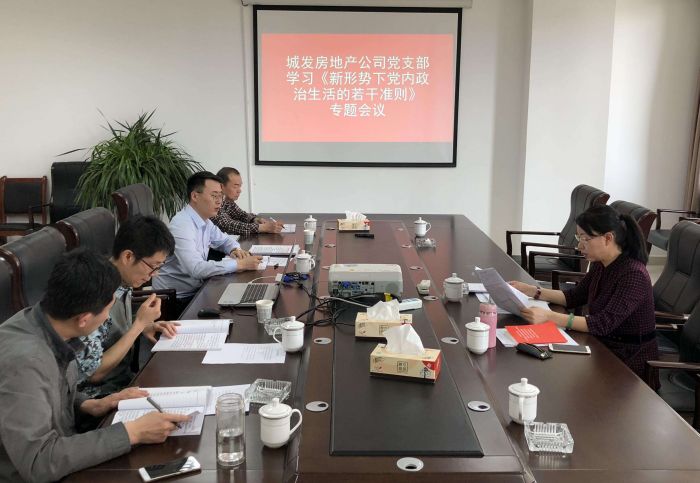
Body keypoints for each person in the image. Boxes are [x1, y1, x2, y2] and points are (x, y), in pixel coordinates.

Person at [0, 249, 190, 483]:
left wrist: (91, 404)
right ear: (84, 319)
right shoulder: (26, 363)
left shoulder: (45, 321)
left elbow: (48, 395)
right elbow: (39, 461)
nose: (108, 318)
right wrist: (133, 432)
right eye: (108, 311)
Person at [510, 205, 657, 381]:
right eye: (578, 238)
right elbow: (574, 296)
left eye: (585, 239)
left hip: (628, 364)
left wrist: (549, 316)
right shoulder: (601, 264)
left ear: (608, 238)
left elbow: (602, 324)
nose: (579, 246)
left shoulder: (633, 274)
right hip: (601, 346)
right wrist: (533, 290)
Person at [75, 215, 180, 399]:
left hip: (126, 381)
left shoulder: (122, 278)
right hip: (100, 397)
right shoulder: (95, 294)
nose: (155, 274)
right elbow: (93, 373)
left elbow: (109, 327)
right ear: (128, 256)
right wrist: (139, 325)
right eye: (153, 266)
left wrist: (146, 325)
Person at [153, 171, 261, 310]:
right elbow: (196, 269)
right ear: (195, 196)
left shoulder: (205, 220)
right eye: (214, 196)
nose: (219, 201)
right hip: (175, 301)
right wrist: (239, 264)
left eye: (220, 196)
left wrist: (235, 249)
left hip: (196, 290)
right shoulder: (181, 225)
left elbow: (225, 241)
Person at [211, 167, 284, 236]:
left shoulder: (227, 201)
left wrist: (255, 219)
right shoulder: (213, 202)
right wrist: (263, 227)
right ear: (221, 186)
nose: (239, 190)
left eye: (240, 186)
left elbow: (241, 215)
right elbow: (229, 225)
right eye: (235, 186)